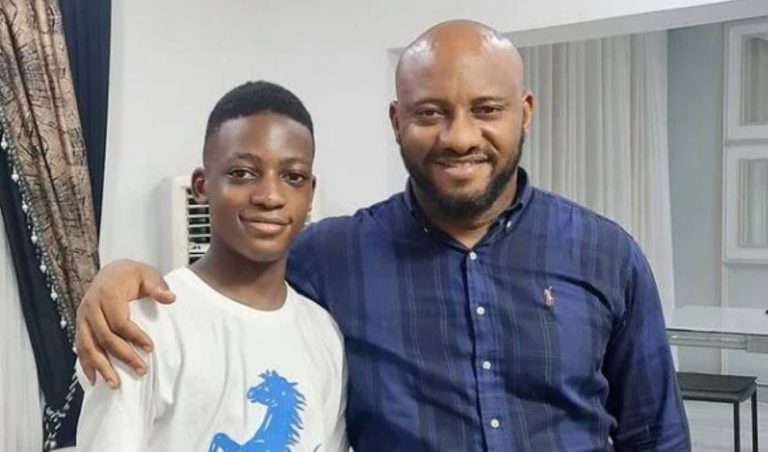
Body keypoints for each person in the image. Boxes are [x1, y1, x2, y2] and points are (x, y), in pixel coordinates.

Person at [76, 21, 690, 451]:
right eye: (430, 113)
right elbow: (234, 282)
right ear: (397, 121)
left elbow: (655, 436)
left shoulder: (606, 256)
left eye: (486, 109)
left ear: (523, 112)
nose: (458, 137)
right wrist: (119, 276)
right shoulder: (331, 257)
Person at [75, 81, 348, 451]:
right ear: (202, 187)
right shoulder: (143, 326)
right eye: (243, 173)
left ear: (310, 193)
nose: (270, 196)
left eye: (292, 177)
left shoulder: (325, 336)